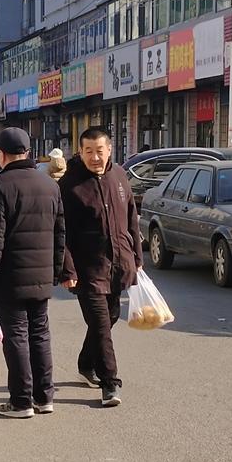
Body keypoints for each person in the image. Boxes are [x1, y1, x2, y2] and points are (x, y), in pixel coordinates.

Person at [0, 128, 65, 418]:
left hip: (10, 277)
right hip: (42, 276)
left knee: (16, 336)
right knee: (40, 334)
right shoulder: (49, 185)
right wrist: (56, 270)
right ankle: (45, 397)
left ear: (1, 154)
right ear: (27, 152)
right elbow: (60, 233)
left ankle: (21, 401)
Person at [59, 126, 141, 409]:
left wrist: (136, 256)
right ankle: (110, 382)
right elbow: (62, 232)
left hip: (118, 264)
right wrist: (67, 269)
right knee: (101, 324)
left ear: (109, 150)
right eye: (88, 151)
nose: (95, 157)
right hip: (88, 269)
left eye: (99, 151)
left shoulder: (119, 176)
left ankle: (86, 362)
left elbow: (131, 217)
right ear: (80, 152)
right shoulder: (69, 185)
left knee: (111, 317)